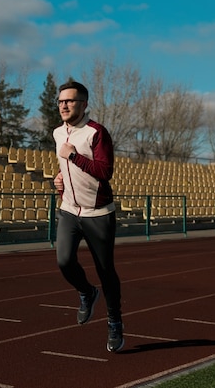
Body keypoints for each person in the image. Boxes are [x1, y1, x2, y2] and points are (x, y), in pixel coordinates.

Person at [52, 80, 124, 353]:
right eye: (60, 101)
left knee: (106, 272)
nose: (64, 105)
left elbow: (105, 172)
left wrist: (73, 158)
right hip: (69, 209)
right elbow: (63, 168)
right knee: (64, 261)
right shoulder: (58, 133)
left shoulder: (97, 132)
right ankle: (86, 291)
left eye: (69, 101)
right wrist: (58, 180)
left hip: (98, 213)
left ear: (83, 104)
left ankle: (115, 321)